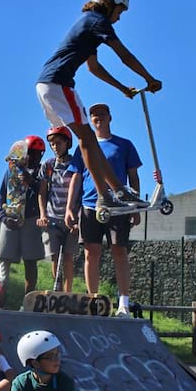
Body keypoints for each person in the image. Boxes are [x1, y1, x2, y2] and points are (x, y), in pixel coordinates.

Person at [35, 0, 161, 211]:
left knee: (90, 140)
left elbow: (94, 68)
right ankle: (106, 195)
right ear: (110, 4)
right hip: (58, 84)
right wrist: (149, 78)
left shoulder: (89, 25)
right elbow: (124, 55)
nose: (119, 17)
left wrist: (122, 88)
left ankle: (118, 191)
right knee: (87, 139)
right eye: (120, 11)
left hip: (49, 85)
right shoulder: (98, 21)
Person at [65, 102, 146, 317]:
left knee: (120, 251)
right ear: (90, 120)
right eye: (93, 115)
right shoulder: (84, 145)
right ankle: (94, 300)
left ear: (110, 117)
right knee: (92, 252)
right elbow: (76, 176)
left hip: (118, 207)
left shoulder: (124, 145)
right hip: (90, 205)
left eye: (101, 114)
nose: (97, 117)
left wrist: (135, 206)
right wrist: (69, 207)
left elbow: (134, 176)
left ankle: (123, 303)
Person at [0, 136, 46, 301]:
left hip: (31, 219)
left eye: (39, 153)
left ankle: (28, 301)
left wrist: (31, 181)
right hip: (10, 218)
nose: (34, 157)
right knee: (4, 260)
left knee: (30, 261)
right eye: (31, 153)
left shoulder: (42, 171)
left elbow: (44, 193)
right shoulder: (10, 171)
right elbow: (2, 195)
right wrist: (3, 216)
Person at [37, 126, 80, 292]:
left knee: (68, 257)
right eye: (52, 144)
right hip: (52, 217)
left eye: (59, 143)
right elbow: (42, 192)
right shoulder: (48, 165)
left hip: (71, 219)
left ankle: (67, 293)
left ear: (67, 143)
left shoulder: (76, 164)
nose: (55, 146)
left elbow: (80, 191)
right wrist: (43, 214)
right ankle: (58, 291)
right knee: (55, 256)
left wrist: (78, 218)